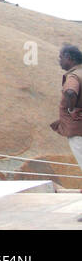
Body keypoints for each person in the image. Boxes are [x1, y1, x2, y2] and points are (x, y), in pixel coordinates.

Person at [50, 44, 82, 221]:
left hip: (78, 131)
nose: (59, 60)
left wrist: (71, 109)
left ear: (70, 58)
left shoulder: (73, 76)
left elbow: (70, 91)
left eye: (61, 57)